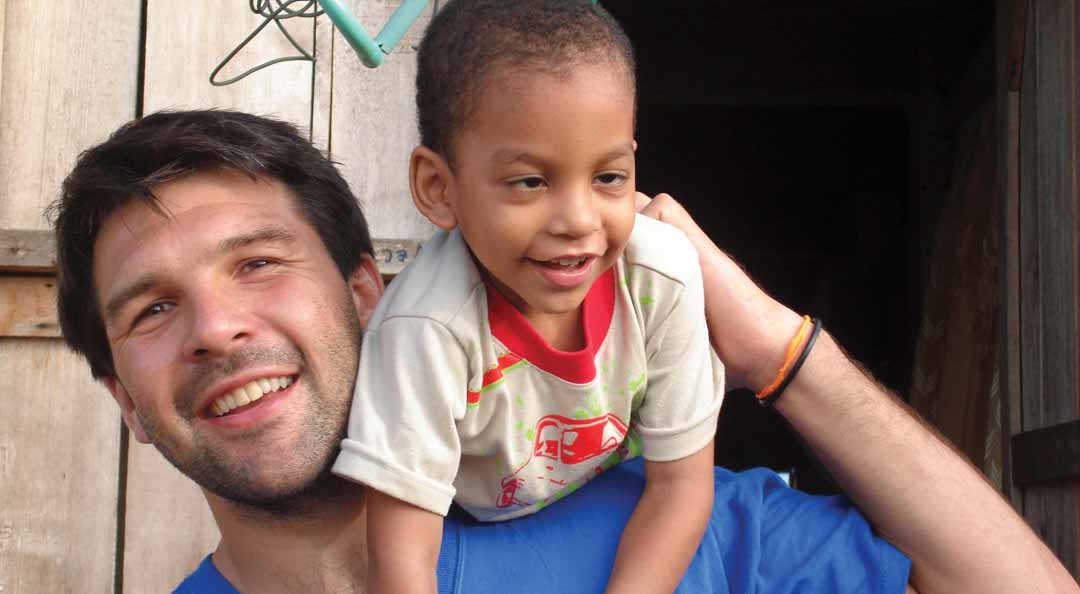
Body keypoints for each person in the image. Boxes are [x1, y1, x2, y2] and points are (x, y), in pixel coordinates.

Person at [51, 109, 1079, 594]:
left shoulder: (688, 530)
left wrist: (774, 348)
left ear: (371, 295)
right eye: (149, 311)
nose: (217, 330)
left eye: (259, 263)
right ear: (126, 402)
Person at [330, 2, 720, 592]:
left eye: (608, 177)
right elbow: (403, 558)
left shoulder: (659, 275)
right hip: (479, 531)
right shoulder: (426, 328)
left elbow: (683, 487)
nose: (579, 220)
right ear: (439, 188)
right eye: (530, 182)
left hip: (625, 503)